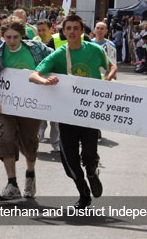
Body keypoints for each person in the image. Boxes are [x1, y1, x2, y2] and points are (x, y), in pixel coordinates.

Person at [29, 14, 117, 209]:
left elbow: (112, 66)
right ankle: (83, 193)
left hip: (88, 112)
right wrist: (45, 81)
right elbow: (34, 74)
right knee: (69, 161)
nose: (72, 32)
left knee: (88, 155)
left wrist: (107, 79)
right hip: (66, 114)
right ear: (63, 31)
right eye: (68, 28)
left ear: (82, 31)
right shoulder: (59, 54)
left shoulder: (94, 50)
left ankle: (92, 173)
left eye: (76, 28)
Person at [0, 16, 53, 200]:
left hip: (32, 106)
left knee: (30, 143)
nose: (11, 41)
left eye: (15, 37)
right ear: (2, 36)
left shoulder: (36, 49)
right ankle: (12, 183)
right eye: (8, 37)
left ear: (22, 36)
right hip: (7, 107)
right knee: (5, 138)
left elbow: (55, 59)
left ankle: (30, 174)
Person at [33, 19, 59, 152]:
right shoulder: (34, 41)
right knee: (39, 112)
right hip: (40, 81)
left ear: (51, 29)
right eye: (40, 30)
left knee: (55, 116)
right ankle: (38, 137)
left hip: (55, 82)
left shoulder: (56, 41)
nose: (41, 33)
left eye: (44, 30)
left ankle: (56, 142)